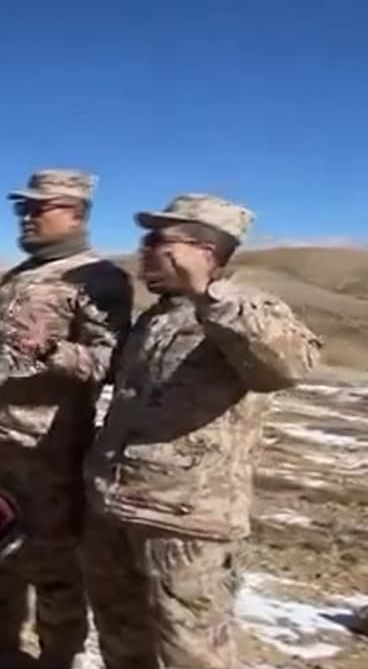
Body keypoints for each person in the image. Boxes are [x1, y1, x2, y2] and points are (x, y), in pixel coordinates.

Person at [83, 194, 320, 669]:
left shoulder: (248, 306)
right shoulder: (156, 317)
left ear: (204, 251)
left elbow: (289, 368)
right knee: (121, 641)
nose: (144, 251)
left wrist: (209, 296)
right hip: (115, 509)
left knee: (192, 654)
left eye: (157, 240)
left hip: (186, 523)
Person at [0, 168, 133, 668]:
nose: (27, 217)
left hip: (47, 453)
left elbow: (109, 363)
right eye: (23, 208)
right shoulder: (18, 276)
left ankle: (58, 657)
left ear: (76, 213)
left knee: (53, 567)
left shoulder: (98, 278)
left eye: (39, 208)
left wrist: (53, 351)